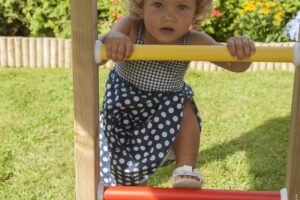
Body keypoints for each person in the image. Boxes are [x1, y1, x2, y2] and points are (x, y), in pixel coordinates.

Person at [99, 0, 256, 188]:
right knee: (129, 181)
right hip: (123, 111)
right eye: (158, 4)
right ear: (141, 6)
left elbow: (235, 65)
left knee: (184, 105)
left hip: (165, 111)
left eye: (182, 7)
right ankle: (135, 184)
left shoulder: (192, 41)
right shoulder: (131, 27)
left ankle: (186, 170)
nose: (169, 16)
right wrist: (114, 38)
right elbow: (103, 48)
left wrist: (240, 49)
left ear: (195, 13)